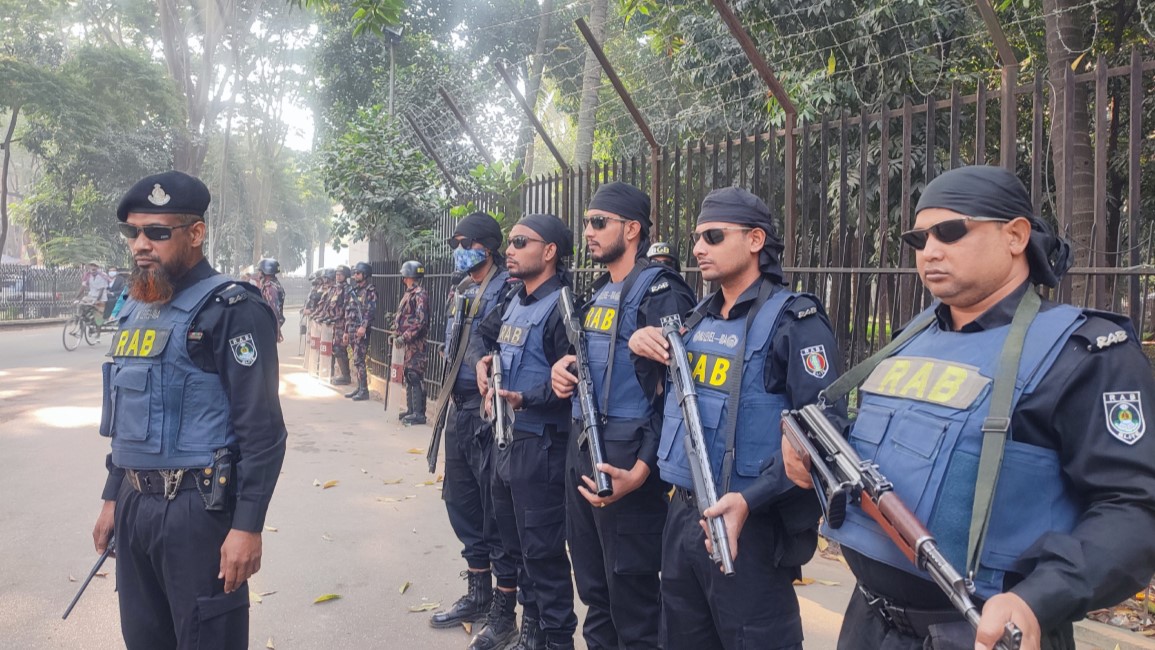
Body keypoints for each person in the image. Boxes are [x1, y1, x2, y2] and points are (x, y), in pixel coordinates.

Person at [781, 165, 1155, 650]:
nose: (931, 249)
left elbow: (1134, 509)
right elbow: (876, 445)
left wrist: (1038, 599)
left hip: (982, 633)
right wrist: (810, 454)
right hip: (868, 624)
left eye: (952, 231)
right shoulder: (913, 339)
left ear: (1016, 235)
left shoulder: (1084, 354)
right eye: (920, 238)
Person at [629, 187, 842, 650]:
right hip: (684, 515)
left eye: (713, 235)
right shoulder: (697, 320)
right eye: (697, 238)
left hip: (752, 526)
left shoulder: (795, 319)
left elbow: (824, 434)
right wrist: (641, 347)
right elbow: (670, 404)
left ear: (754, 240)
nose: (699, 248)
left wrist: (752, 499)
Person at [91, 170, 287, 649]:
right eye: (133, 232)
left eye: (157, 232)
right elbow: (128, 419)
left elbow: (263, 433)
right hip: (137, 505)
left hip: (197, 512)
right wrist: (113, 496)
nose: (141, 244)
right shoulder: (137, 308)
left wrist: (247, 526)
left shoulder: (232, 309)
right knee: (144, 638)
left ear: (196, 233)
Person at [549, 182, 696, 649]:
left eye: (599, 223)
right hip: (585, 451)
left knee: (634, 601)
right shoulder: (599, 292)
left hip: (629, 464)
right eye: (587, 222)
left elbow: (679, 394)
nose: (588, 232)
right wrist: (561, 369)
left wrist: (646, 468)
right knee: (596, 593)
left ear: (631, 229)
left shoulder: (661, 291)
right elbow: (585, 356)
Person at [473, 213, 578, 650]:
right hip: (506, 443)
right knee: (513, 547)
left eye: (519, 242)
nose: (509, 250)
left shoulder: (564, 307)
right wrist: (485, 362)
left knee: (545, 557)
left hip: (542, 448)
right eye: (511, 242)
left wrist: (526, 398)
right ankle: (528, 628)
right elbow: (487, 336)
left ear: (549, 252)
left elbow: (574, 385)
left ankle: (553, 639)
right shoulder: (516, 299)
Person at [427, 212, 519, 650]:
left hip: (491, 415)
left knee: (494, 510)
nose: (458, 251)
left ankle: (505, 609)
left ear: (486, 246)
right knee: (460, 502)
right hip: (460, 410)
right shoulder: (461, 289)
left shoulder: (508, 289)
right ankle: (478, 592)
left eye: (464, 243)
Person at [394, 260, 429, 422]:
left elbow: (420, 321)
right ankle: (411, 409)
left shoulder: (420, 294)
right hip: (407, 343)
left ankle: (419, 414)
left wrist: (405, 336)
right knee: (408, 374)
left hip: (416, 343)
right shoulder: (409, 293)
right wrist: (397, 335)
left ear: (408, 275)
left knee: (415, 375)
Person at [343, 261, 378, 401]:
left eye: (358, 273)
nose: (355, 275)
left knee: (359, 359)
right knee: (356, 359)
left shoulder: (370, 291)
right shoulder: (354, 291)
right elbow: (348, 311)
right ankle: (359, 387)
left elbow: (371, 311)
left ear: (365, 274)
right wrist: (346, 331)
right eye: (355, 273)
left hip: (361, 330)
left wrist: (363, 326)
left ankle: (364, 390)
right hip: (352, 328)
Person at [327, 265, 352, 386]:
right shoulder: (335, 288)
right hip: (335, 323)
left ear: (346, 275)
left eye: (340, 274)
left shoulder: (348, 289)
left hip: (342, 323)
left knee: (340, 348)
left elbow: (346, 308)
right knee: (336, 348)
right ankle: (340, 373)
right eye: (337, 274)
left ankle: (346, 376)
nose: (338, 276)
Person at [257, 258, 285, 342]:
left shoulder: (270, 288)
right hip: (270, 325)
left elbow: (274, 310)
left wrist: (277, 330)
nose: (258, 273)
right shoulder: (274, 284)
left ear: (265, 272)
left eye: (259, 271)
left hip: (268, 326)